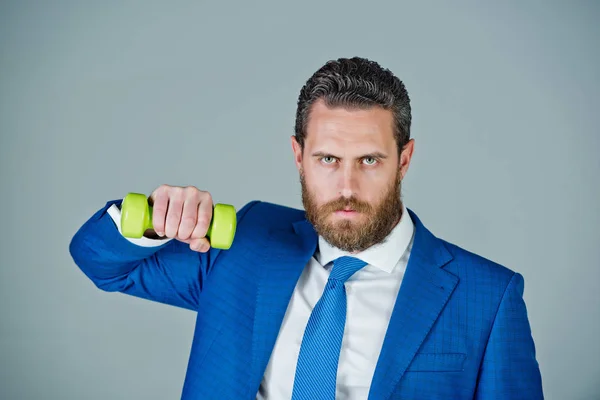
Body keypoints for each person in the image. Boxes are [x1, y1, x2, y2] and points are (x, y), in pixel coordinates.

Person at [69, 57, 544, 399]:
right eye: (328, 159)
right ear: (299, 157)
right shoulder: (245, 243)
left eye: (371, 161)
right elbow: (104, 264)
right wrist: (151, 218)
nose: (347, 186)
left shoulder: (488, 297)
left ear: (404, 160)